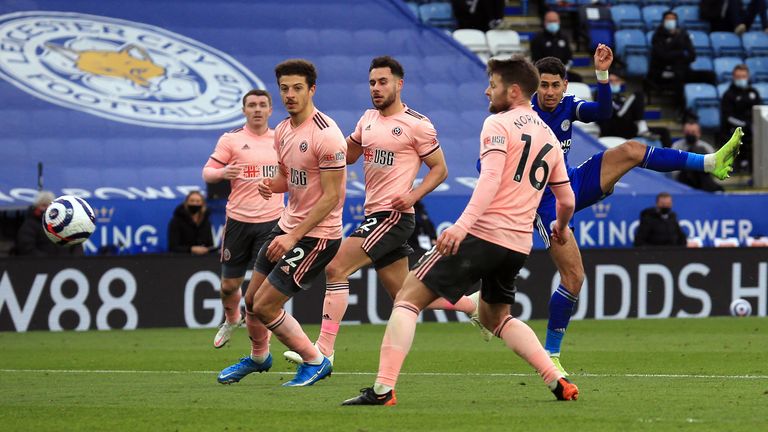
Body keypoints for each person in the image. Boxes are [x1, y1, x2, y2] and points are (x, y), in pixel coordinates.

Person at [342, 56, 579, 406]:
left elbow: (490, 180)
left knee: (407, 298)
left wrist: (461, 227)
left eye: (493, 85)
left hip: (483, 234)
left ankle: (382, 390)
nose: (487, 91)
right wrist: (559, 226)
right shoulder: (547, 136)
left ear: (513, 91)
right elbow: (567, 198)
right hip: (517, 245)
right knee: (496, 317)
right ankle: (557, 379)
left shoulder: (498, 124)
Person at [527, 53, 742, 375]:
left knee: (631, 150)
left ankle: (710, 163)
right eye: (543, 85)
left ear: (565, 85)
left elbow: (603, 111)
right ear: (536, 86)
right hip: (546, 202)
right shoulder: (522, 115)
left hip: (572, 182)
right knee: (574, 277)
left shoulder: (568, 105)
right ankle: (551, 354)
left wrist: (602, 75)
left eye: (555, 85)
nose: (549, 92)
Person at [283, 56, 482, 366]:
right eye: (372, 83)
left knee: (336, 267)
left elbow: (440, 170)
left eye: (383, 82)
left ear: (399, 84)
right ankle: (472, 305)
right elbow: (345, 155)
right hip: (375, 215)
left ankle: (323, 350)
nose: (376, 88)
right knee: (405, 295)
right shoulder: (367, 120)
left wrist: (413, 194)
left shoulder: (417, 124)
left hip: (393, 216)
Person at [217, 59, 346, 387]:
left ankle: (315, 361)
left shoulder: (327, 135)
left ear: (312, 90)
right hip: (289, 226)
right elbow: (290, 176)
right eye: (284, 89)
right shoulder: (284, 131)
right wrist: (273, 185)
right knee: (250, 302)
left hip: (316, 236)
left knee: (265, 305)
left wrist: (292, 238)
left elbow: (332, 197)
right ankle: (260, 358)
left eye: (297, 88)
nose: (290, 95)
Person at [203, 89, 284, 349]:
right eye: (252, 105)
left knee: (264, 290)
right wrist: (223, 172)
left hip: (272, 221)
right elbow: (207, 173)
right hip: (238, 220)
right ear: (244, 110)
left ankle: (264, 339)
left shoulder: (282, 138)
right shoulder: (231, 140)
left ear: (270, 110)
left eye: (262, 105)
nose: (257, 109)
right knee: (229, 285)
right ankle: (231, 319)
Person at [649, 11, 715, 103]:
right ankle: (680, 107)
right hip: (664, 71)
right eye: (668, 19)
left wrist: (674, 53)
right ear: (663, 21)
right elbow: (663, 56)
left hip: (684, 69)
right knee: (678, 75)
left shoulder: (683, 35)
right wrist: (681, 53)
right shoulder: (657, 36)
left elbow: (692, 56)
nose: (671, 21)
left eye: (673, 19)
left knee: (709, 75)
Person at [598, 71, 671, 148]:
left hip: (628, 128)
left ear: (621, 82)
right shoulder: (601, 94)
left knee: (664, 132)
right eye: (611, 81)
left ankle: (671, 158)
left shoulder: (621, 98)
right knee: (638, 95)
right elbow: (618, 113)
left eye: (616, 80)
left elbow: (626, 113)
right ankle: (642, 128)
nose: (614, 83)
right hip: (612, 129)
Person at [14, 191, 84, 257]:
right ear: (37, 207)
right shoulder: (29, 225)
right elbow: (27, 248)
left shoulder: (65, 223)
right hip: (41, 266)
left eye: (50, 205)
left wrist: (73, 260)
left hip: (67, 266)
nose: (47, 208)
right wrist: (48, 261)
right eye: (44, 205)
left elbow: (76, 244)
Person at [721, 64, 762, 172]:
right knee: (743, 133)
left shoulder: (754, 93)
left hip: (754, 126)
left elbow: (759, 111)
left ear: (747, 77)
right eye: (738, 77)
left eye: (743, 77)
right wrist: (744, 125)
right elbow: (728, 117)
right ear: (734, 77)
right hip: (735, 128)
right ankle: (743, 162)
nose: (741, 79)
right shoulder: (728, 95)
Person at [530, 10, 582, 82]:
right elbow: (535, 60)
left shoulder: (564, 37)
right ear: (545, 22)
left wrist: (564, 69)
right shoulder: (538, 39)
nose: (553, 23)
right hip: (544, 73)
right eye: (550, 21)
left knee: (577, 78)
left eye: (555, 21)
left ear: (559, 21)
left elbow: (569, 57)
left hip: (562, 72)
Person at [671, 120, 723, 192]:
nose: (690, 134)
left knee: (699, 151)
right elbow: (673, 168)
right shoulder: (676, 146)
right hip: (684, 176)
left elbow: (714, 168)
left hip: (702, 178)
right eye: (688, 132)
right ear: (684, 133)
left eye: (693, 132)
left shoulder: (706, 147)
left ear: (699, 133)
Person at [407, 200, 438, 265]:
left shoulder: (422, 211)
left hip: (427, 246)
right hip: (413, 248)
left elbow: (430, 229)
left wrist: (433, 239)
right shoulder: (405, 213)